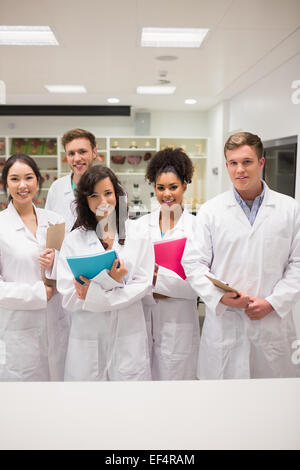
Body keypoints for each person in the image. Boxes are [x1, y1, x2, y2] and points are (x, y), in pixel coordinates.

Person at [182, 131, 300, 379]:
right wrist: (221, 297)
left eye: (247, 162)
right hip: (226, 326)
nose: (240, 170)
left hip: (272, 326)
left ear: (261, 163)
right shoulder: (211, 212)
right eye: (233, 163)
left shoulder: (290, 209)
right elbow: (194, 263)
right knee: (223, 408)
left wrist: (272, 303)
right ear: (226, 165)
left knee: (271, 406)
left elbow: (297, 264)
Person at [57, 165, 153, 381]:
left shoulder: (138, 233)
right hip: (88, 340)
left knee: (129, 407)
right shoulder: (73, 240)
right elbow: (69, 297)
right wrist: (115, 283)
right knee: (88, 409)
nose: (103, 201)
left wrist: (96, 291)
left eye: (108, 193)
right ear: (85, 200)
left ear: (117, 195)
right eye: (94, 195)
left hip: (127, 337)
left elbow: (143, 284)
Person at [128, 147, 199, 380]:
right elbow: (130, 274)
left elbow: (199, 284)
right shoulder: (138, 226)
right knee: (142, 384)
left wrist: (156, 280)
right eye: (160, 188)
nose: (167, 194)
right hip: (143, 316)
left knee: (176, 386)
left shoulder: (196, 229)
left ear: (185, 186)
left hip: (179, 321)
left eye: (173, 187)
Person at [0, 154, 69, 381]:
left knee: (58, 397)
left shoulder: (55, 220)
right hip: (18, 328)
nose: (23, 185)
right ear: (5, 184)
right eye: (15, 179)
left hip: (56, 322)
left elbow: (70, 268)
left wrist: (56, 265)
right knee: (24, 402)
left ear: (37, 181)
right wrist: (42, 293)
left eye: (29, 178)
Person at [45, 128, 97, 232]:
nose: (77, 158)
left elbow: (121, 230)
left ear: (94, 152)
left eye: (82, 152)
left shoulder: (112, 186)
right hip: (63, 248)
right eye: (71, 153)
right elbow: (47, 226)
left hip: (99, 248)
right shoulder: (56, 188)